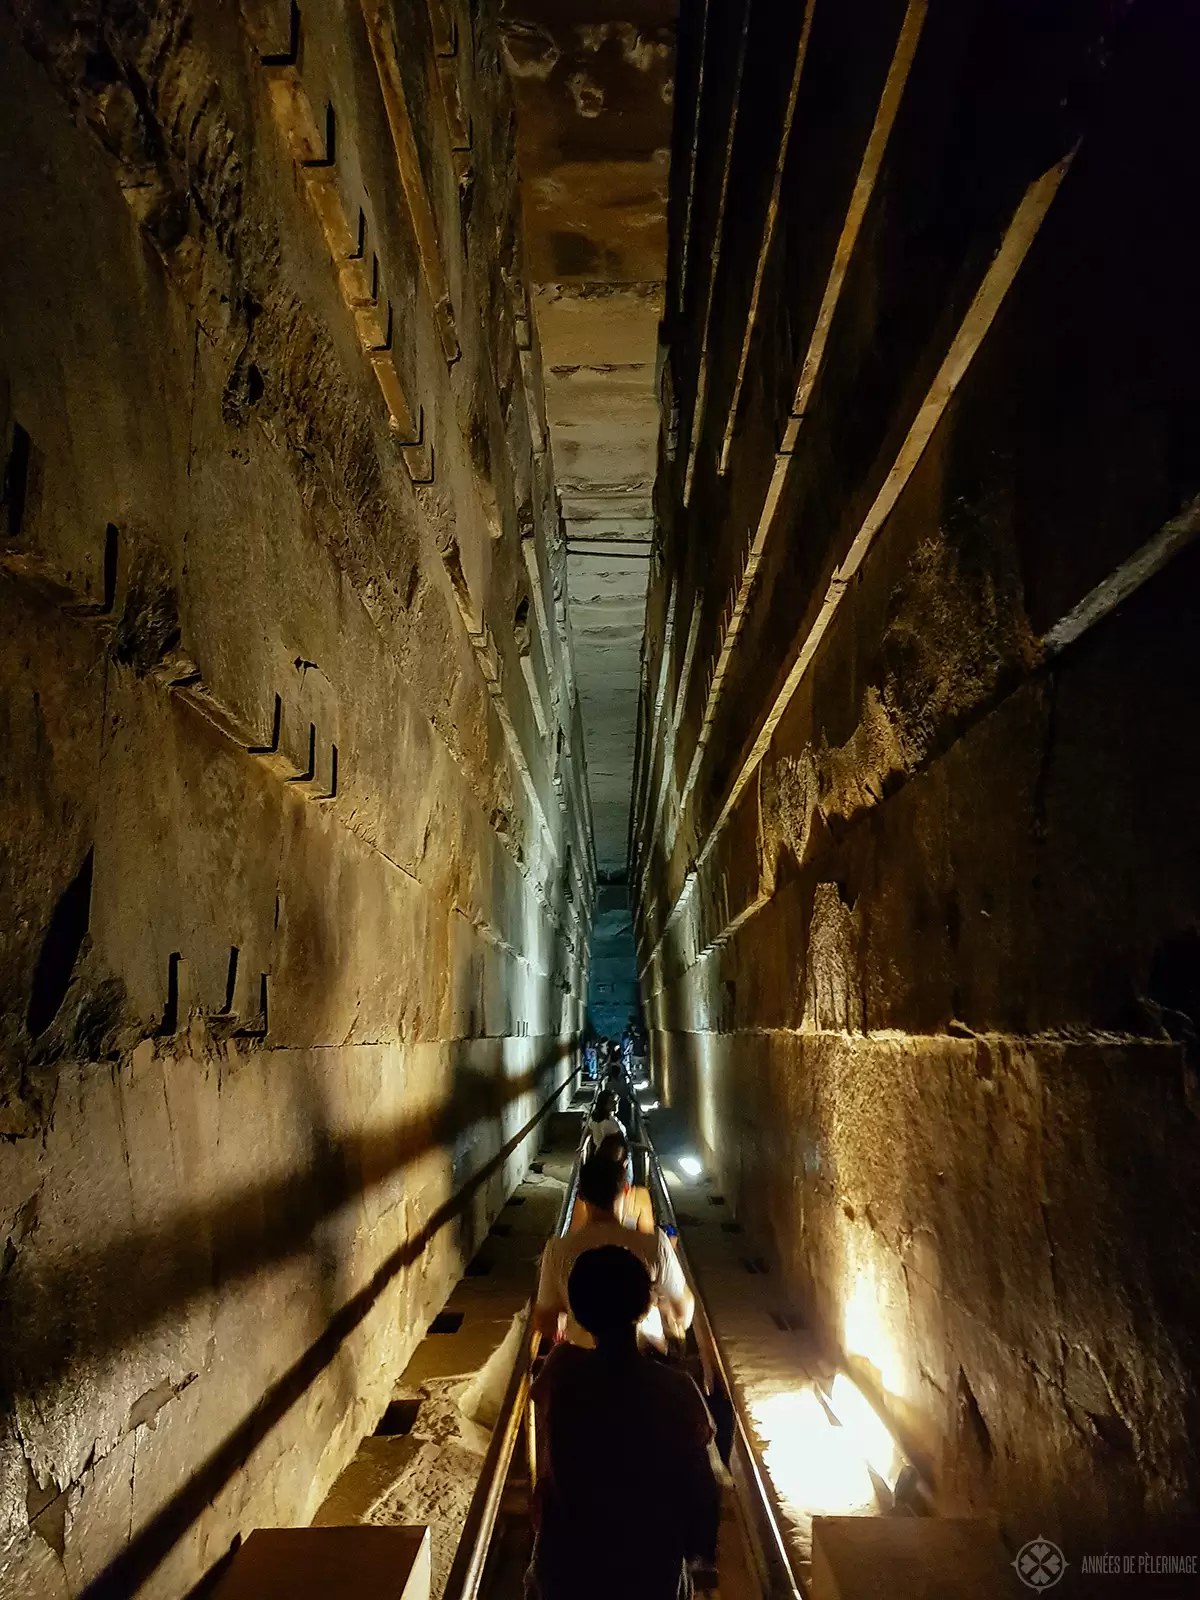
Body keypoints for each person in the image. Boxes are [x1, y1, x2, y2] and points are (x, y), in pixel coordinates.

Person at [527, 1246, 720, 1600]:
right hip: (648, 1568)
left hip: (568, 1565)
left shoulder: (562, 1368)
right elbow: (700, 1483)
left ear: (579, 1312)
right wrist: (699, 1549)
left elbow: (542, 1399)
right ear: (645, 1307)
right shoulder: (676, 1388)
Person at [533, 1156, 692, 1346]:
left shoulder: (558, 1250)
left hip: (585, 1357)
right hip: (643, 1352)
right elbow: (683, 1313)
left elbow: (545, 1322)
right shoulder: (655, 1245)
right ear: (626, 1190)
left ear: (581, 1196)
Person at [568, 1133, 654, 1235]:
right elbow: (648, 1240)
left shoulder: (587, 1195)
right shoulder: (639, 1197)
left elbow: (575, 1235)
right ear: (625, 1164)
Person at [585, 1089, 625, 1154]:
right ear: (604, 1104)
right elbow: (620, 1143)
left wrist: (583, 1146)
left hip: (600, 1154)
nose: (616, 1103)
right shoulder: (609, 1123)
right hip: (612, 1156)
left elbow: (589, 1130)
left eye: (617, 1100)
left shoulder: (594, 1118)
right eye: (612, 1101)